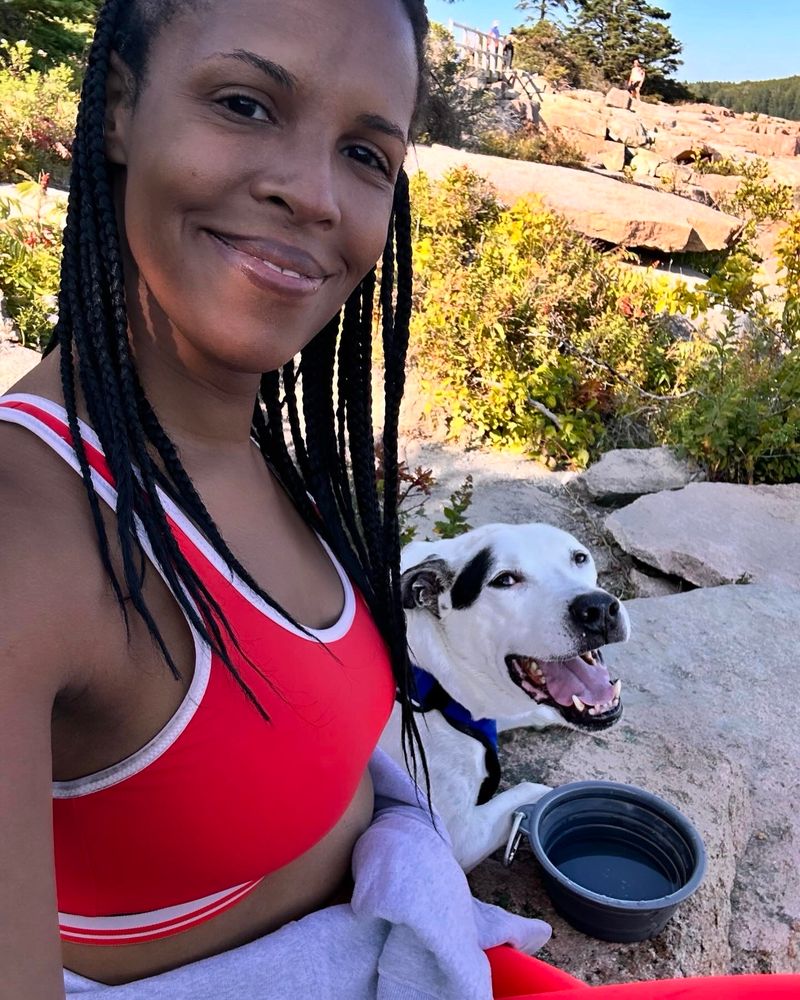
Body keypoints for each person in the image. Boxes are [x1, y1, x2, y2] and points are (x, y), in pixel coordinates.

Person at [1, 1, 798, 998]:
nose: (312, 194)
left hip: (403, 928)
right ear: (119, 106)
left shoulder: (257, 453)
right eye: (246, 104)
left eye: (366, 154)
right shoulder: (26, 533)